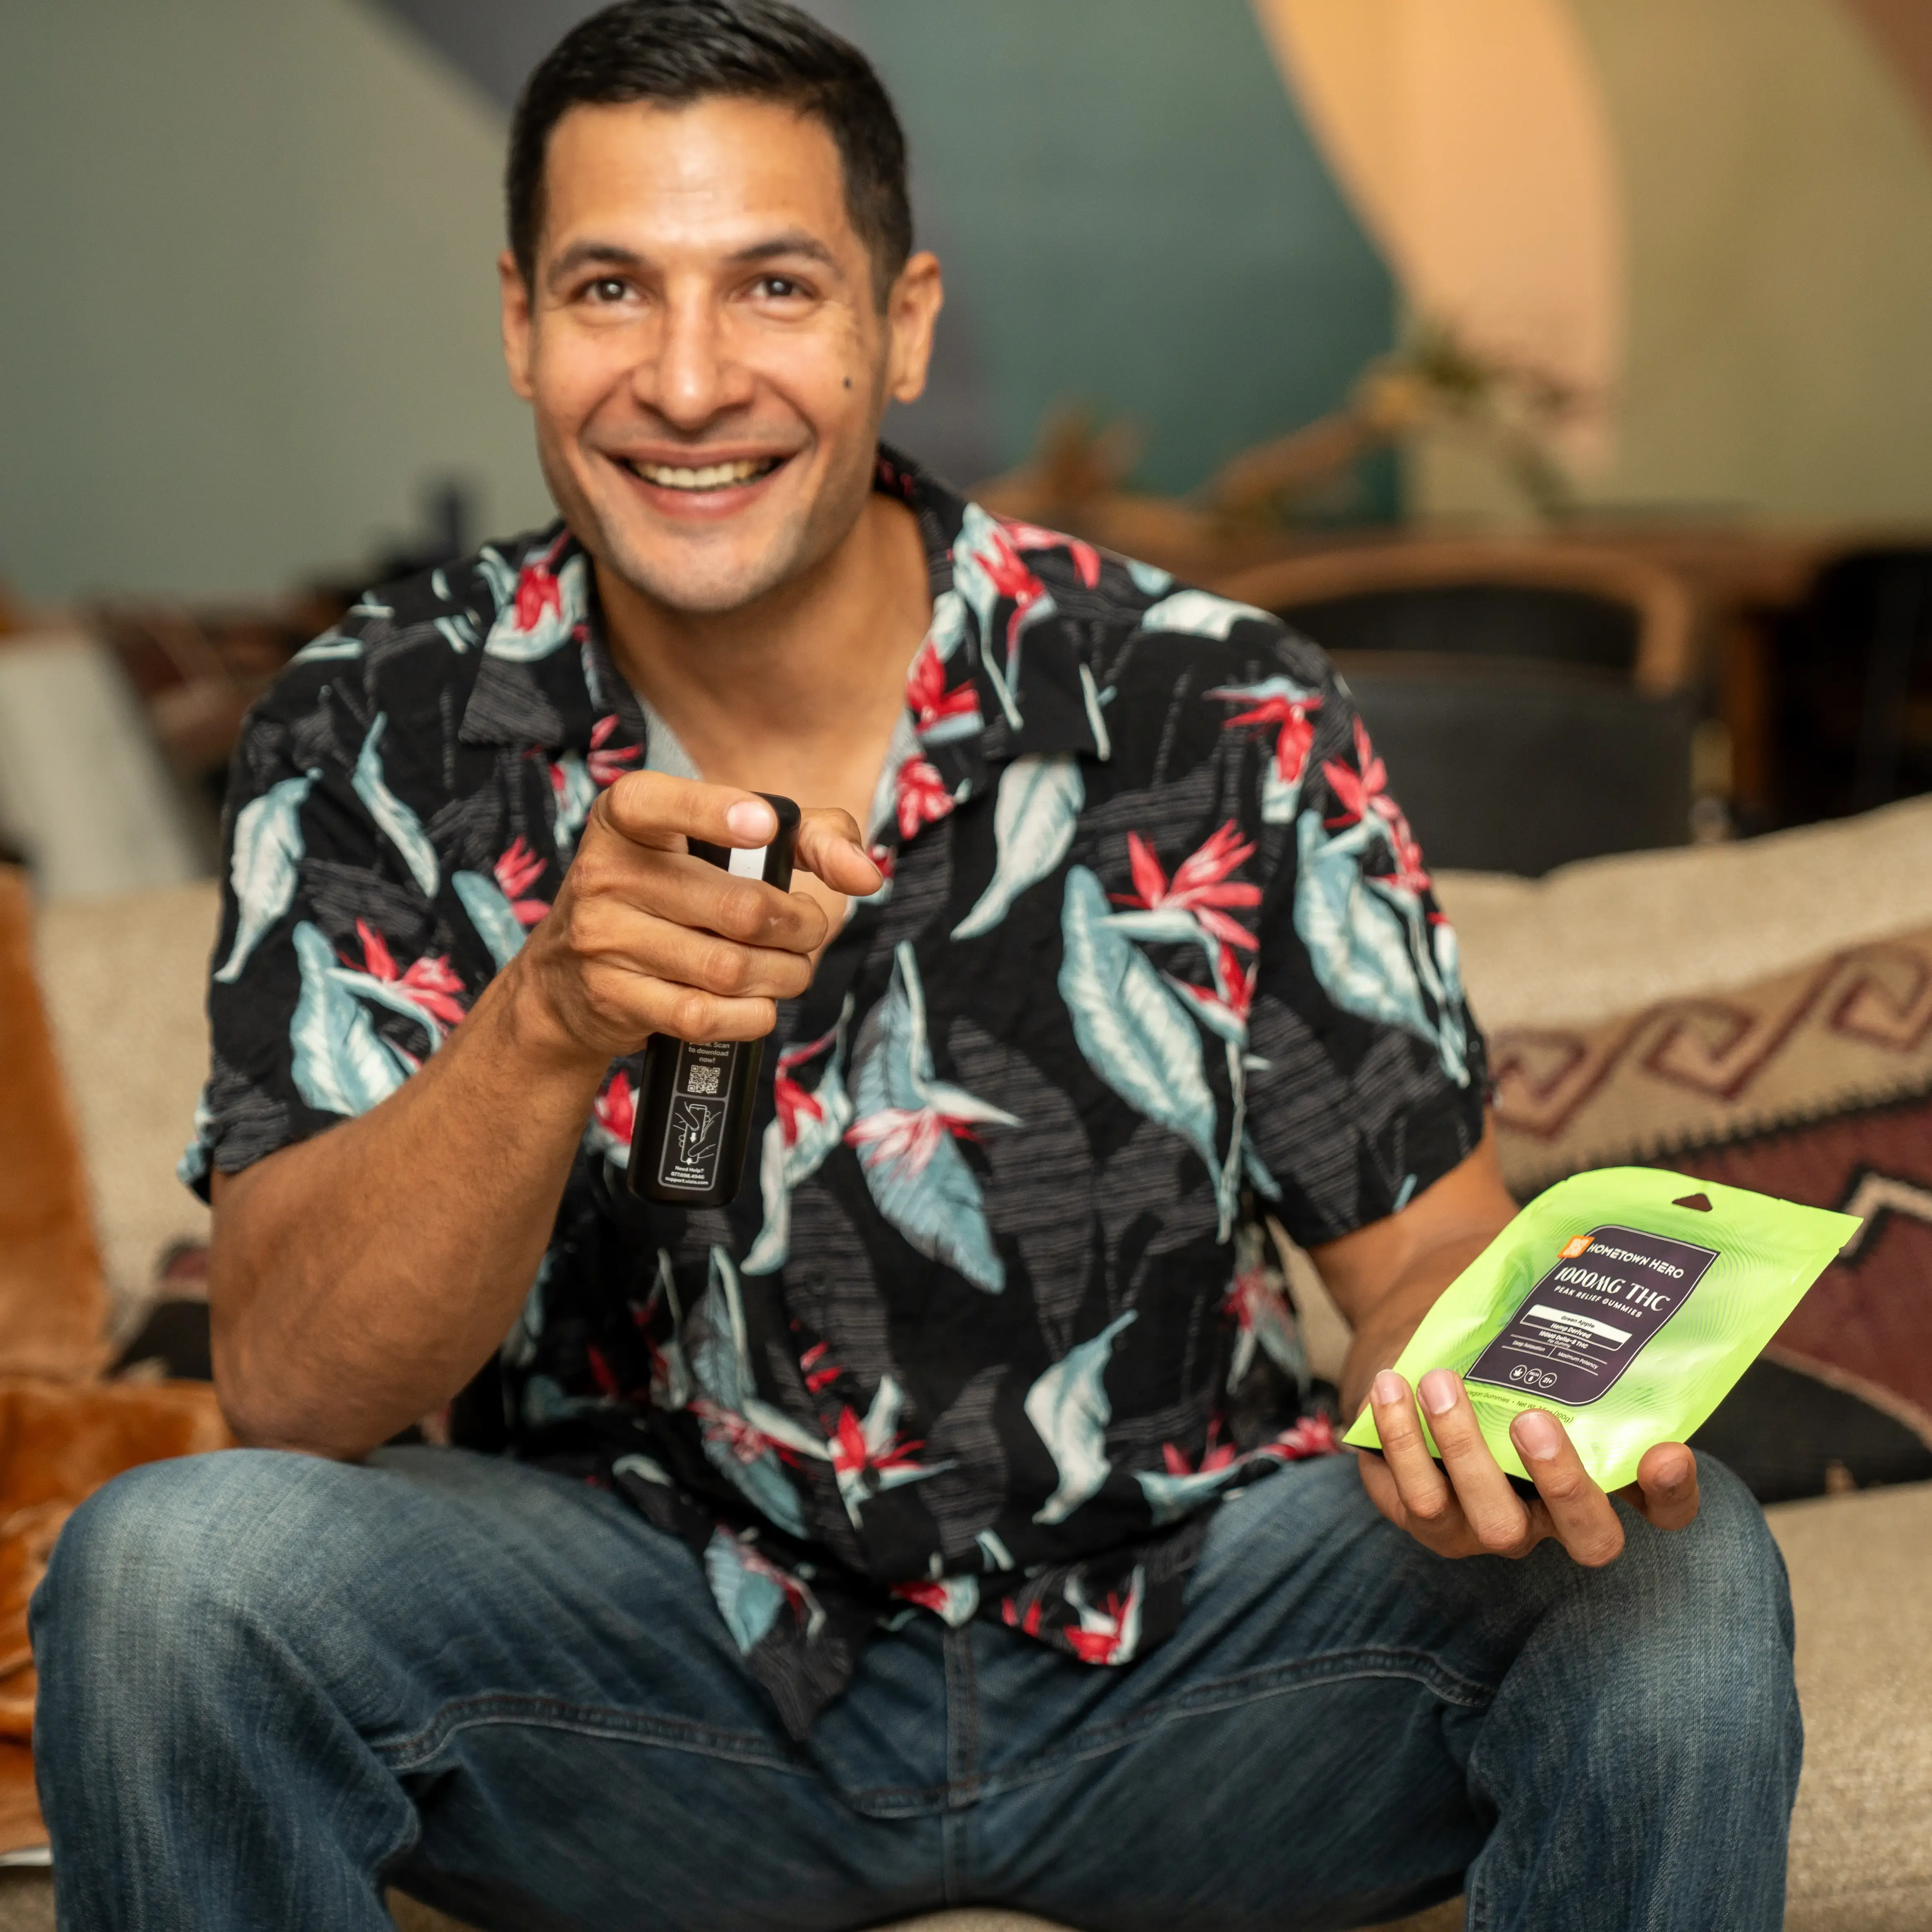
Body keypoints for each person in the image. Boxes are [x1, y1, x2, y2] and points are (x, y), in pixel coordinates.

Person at [32, 4, 1800, 1927]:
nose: (687, 381)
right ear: (522, 324)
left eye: (774, 287)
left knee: (1672, 1567)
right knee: (172, 1575)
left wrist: (1471, 1401)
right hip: (649, 1685)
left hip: (1199, 1663)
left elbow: (1420, 1257)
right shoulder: (374, 729)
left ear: (903, 323)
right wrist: (543, 1025)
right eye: (614, 289)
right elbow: (293, 1391)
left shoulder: (1206, 702)